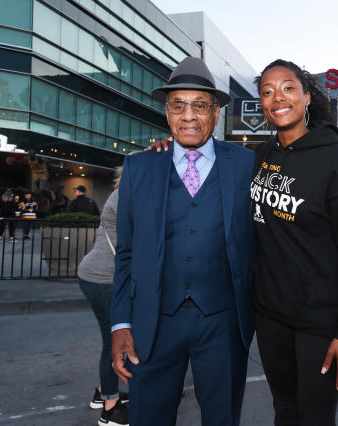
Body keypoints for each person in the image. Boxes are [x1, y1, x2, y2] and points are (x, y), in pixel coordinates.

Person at [111, 57, 257, 426]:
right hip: (153, 322)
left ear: (216, 113)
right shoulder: (139, 167)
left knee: (222, 417)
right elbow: (125, 253)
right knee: (149, 417)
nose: (189, 116)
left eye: (199, 106)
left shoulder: (246, 163)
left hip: (223, 322)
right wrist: (120, 324)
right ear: (166, 112)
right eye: (179, 106)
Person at [250, 59, 338, 426]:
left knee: (316, 418)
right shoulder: (259, 156)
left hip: (320, 321)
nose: (278, 98)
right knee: (284, 412)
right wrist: (168, 146)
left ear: (306, 96)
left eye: (288, 87)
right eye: (267, 91)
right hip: (270, 314)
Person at [78, 169, 130, 426]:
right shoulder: (124, 197)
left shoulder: (127, 193)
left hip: (105, 277)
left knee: (116, 338)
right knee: (114, 341)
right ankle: (110, 409)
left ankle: (103, 391)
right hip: (102, 278)